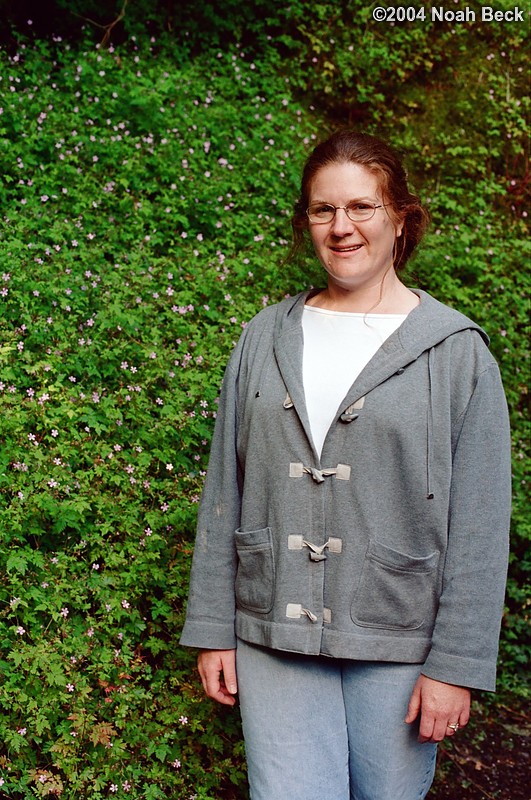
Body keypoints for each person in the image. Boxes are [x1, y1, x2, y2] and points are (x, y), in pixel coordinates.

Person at [180, 130, 511, 800]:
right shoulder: (263, 337)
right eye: (322, 210)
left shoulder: (456, 351)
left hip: (399, 637)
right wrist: (213, 628)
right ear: (305, 223)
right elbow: (226, 488)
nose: (341, 227)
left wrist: (454, 665)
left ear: (399, 217)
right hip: (274, 634)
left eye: (361, 207)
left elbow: (479, 522)